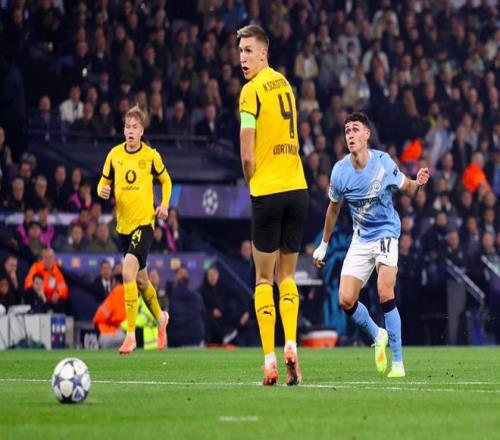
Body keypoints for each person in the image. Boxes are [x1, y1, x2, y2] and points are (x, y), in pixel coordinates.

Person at [313, 112, 430, 378]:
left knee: (385, 292)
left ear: (367, 135)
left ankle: (398, 363)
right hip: (361, 238)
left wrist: (419, 183)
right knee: (345, 299)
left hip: (386, 232)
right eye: (347, 131)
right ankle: (378, 335)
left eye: (355, 129)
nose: (350, 135)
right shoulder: (340, 171)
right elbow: (333, 209)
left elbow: (409, 188)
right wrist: (324, 244)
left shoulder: (383, 163)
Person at [238, 25, 308, 386]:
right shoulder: (285, 85)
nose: (243, 58)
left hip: (267, 191)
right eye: (240, 51)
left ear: (264, 53)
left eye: (249, 50)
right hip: (298, 189)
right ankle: (291, 344)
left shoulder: (250, 92)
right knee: (288, 276)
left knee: (264, 279)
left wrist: (252, 181)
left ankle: (270, 361)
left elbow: (247, 154)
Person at [97, 104, 172, 355]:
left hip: (144, 223)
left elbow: (166, 180)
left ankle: (130, 336)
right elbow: (102, 183)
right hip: (123, 228)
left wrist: (164, 204)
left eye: (135, 127)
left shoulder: (150, 156)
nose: (130, 130)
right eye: (127, 126)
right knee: (141, 281)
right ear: (124, 130)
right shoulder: (114, 155)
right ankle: (161, 317)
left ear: (141, 131)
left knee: (127, 272)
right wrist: (102, 190)